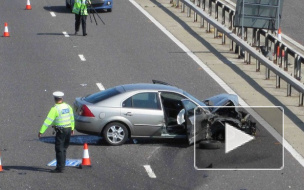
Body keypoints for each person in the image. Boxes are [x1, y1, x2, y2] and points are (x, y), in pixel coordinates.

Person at [38, 91, 75, 173]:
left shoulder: (55, 109)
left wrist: (41, 131)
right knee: (64, 148)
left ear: (55, 99)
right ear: (62, 98)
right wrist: (72, 128)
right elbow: (72, 118)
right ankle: (63, 165)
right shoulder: (68, 107)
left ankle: (60, 168)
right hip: (68, 129)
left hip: (61, 131)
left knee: (59, 149)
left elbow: (48, 121)